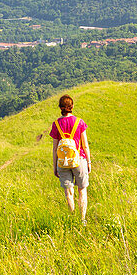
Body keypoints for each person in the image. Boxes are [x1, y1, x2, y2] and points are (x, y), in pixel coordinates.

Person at [50, 94, 91, 224]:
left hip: (63, 162)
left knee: (69, 192)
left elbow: (55, 147)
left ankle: (72, 218)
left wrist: (55, 166)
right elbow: (84, 145)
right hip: (79, 159)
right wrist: (89, 162)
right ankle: (82, 219)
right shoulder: (79, 122)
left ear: (60, 107)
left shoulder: (56, 124)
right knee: (82, 190)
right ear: (72, 107)